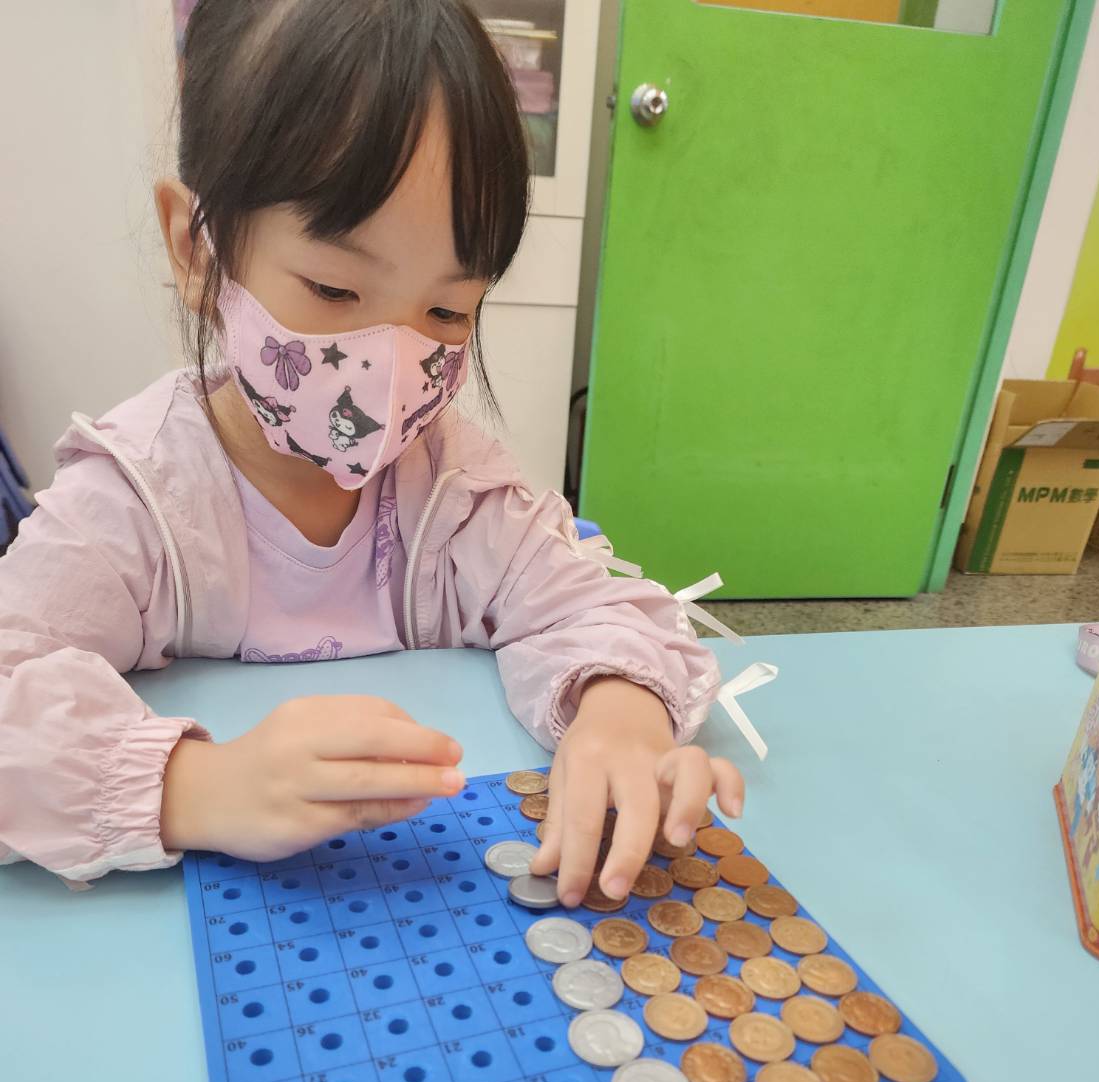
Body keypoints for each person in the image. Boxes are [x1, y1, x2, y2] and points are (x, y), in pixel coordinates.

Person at [0, 0, 742, 905]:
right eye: (334, 289)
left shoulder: (457, 492)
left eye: (446, 311)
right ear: (197, 250)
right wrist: (195, 787)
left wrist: (620, 712)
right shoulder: (137, 503)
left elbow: (592, 605)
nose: (388, 365)